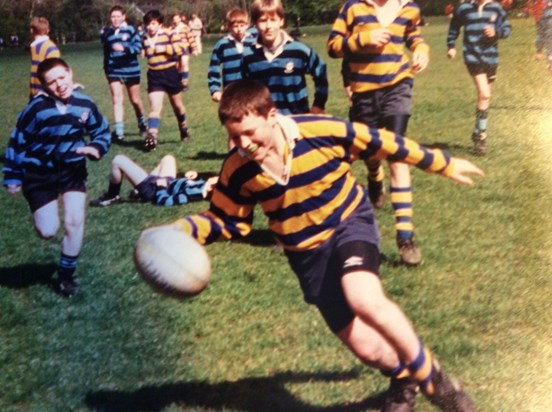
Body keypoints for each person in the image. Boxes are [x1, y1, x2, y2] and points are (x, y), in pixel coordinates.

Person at [157, 80, 481, 412]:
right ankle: (403, 378)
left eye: (250, 133)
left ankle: (436, 382)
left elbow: (380, 140)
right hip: (307, 257)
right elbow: (227, 220)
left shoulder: (318, 130)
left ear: (272, 114)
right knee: (367, 349)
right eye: (235, 136)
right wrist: (182, 229)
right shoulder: (238, 169)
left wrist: (441, 162)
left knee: (363, 296)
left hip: (348, 223)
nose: (243, 143)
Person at [327, 0, 430, 266]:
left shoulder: (409, 7)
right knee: (371, 153)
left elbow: (414, 36)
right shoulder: (353, 8)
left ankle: (405, 237)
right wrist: (362, 39)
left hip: (398, 85)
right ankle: (374, 175)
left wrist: (421, 50)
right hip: (363, 93)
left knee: (397, 154)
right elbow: (333, 46)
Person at [2, 58, 111, 296]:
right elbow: (17, 141)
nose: (59, 85)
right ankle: (44, 219)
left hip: (72, 171)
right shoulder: (36, 109)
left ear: (70, 73)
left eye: (62, 77)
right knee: (48, 230)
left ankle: (65, 276)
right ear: (44, 86)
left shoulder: (85, 103)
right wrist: (13, 176)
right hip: (39, 174)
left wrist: (96, 148)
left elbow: (102, 131)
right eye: (51, 82)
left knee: (75, 222)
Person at [447, 0, 511, 156]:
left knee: (484, 99)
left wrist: (496, 32)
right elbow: (454, 27)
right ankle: (481, 137)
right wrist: (451, 46)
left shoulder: (496, 8)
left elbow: (507, 29)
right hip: (472, 57)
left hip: (491, 58)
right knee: (484, 94)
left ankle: (477, 133)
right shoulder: (464, 8)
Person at [242, 0, 328, 115]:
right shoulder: (249, 56)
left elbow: (320, 72)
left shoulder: (298, 50)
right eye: (263, 21)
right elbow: (244, 90)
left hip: (297, 120)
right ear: (255, 24)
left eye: (273, 20)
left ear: (281, 21)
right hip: (264, 122)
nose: (268, 26)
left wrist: (319, 105)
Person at [142, 9, 190, 151]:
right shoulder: (144, 37)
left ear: (160, 24)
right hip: (154, 75)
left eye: (153, 24)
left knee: (177, 106)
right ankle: (152, 137)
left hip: (170, 73)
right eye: (148, 24)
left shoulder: (169, 33)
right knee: (155, 107)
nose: (150, 27)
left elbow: (182, 47)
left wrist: (165, 48)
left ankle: (183, 128)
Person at [90, 154, 218, 207]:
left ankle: (112, 196)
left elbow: (164, 201)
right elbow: (191, 184)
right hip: (166, 181)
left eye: (217, 178)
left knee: (118, 160)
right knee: (168, 158)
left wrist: (161, 187)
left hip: (154, 190)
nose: (215, 176)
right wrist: (194, 176)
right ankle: (137, 191)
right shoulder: (203, 186)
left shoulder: (195, 194)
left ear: (213, 185)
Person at [101, 5, 147, 141]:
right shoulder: (107, 33)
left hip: (131, 69)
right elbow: (106, 52)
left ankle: (142, 123)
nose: (115, 19)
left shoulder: (131, 30)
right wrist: (107, 69)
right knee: (117, 99)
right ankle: (119, 132)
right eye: (113, 17)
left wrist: (125, 48)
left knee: (135, 100)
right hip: (113, 70)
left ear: (123, 17)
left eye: (117, 16)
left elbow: (138, 47)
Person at [207, 8, 256, 103]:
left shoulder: (253, 42)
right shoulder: (223, 44)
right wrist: (215, 89)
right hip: (231, 91)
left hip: (251, 90)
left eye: (242, 25)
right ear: (229, 27)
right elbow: (214, 67)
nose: (239, 29)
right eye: (235, 26)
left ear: (247, 25)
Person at [28, 17, 61, 99]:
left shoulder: (49, 48)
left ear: (31, 31)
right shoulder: (35, 47)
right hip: (37, 92)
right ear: (48, 30)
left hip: (46, 94)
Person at [171, 13, 198, 88]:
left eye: (176, 18)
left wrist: (194, 48)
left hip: (184, 48)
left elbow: (191, 38)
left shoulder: (185, 27)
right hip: (175, 50)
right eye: (174, 19)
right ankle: (179, 82)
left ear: (180, 19)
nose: (175, 20)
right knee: (178, 66)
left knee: (184, 63)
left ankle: (184, 82)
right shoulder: (172, 29)